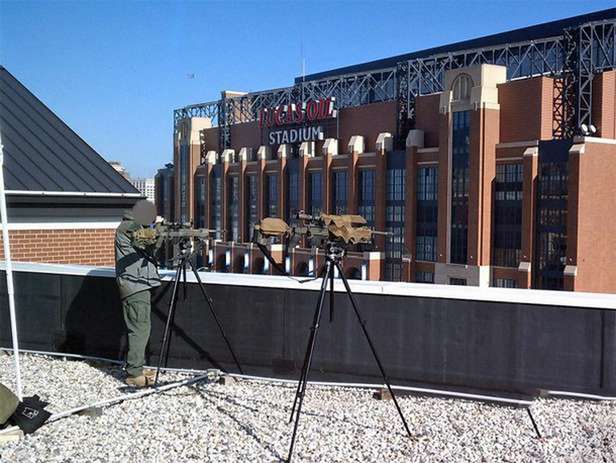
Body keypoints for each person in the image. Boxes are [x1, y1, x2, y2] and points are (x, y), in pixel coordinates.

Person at [115, 200, 161, 387]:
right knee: (140, 329)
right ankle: (134, 372)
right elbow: (144, 238)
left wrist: (162, 234)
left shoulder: (135, 226)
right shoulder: (128, 226)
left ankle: (137, 367)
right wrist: (160, 230)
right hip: (135, 285)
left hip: (138, 284)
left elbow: (150, 248)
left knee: (141, 327)